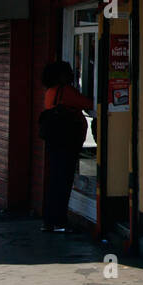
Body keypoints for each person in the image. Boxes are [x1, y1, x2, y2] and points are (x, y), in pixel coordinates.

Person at [40, 60, 91, 233]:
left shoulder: (50, 92)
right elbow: (88, 103)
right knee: (63, 182)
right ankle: (59, 222)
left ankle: (49, 221)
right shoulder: (66, 91)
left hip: (54, 142)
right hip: (67, 143)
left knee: (54, 181)